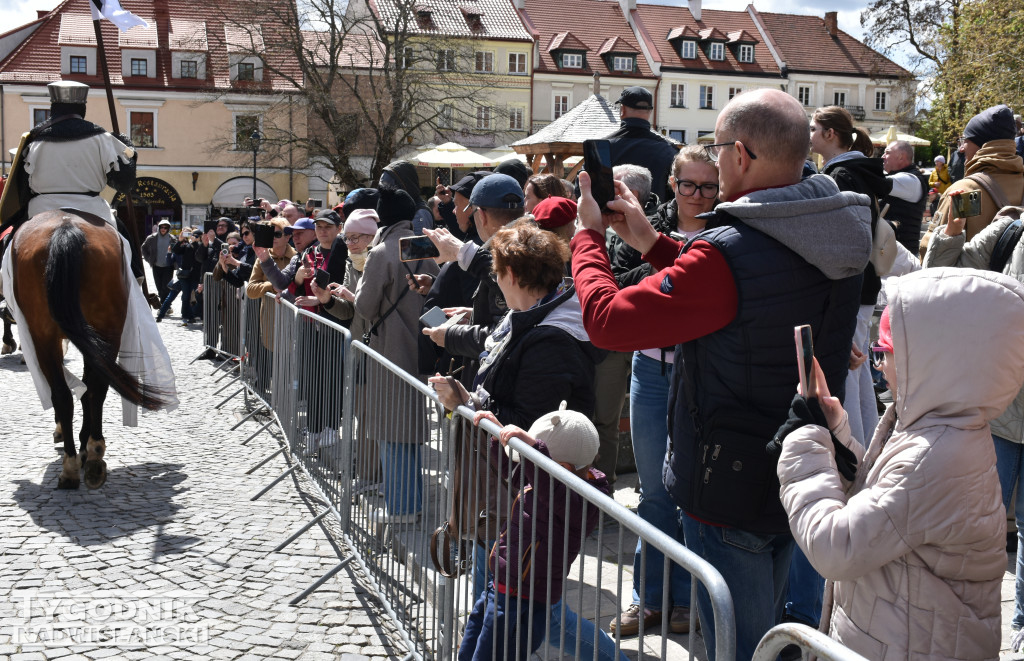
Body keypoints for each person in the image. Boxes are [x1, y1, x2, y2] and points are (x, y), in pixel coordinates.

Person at [570, 88, 871, 659]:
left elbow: (606, 321)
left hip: (729, 479)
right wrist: (653, 244)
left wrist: (588, 238)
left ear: (744, 155)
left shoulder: (726, 251)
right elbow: (750, 289)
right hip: (802, 457)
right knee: (772, 632)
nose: (713, 157)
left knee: (737, 644)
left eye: (717, 145)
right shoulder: (835, 226)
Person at [777, 268, 1024, 661]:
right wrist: (838, 429)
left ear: (932, 359)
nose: (878, 367)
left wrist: (804, 440)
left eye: (884, 353)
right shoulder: (947, 429)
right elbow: (885, 503)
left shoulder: (935, 455)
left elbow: (837, 545)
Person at [609, 146, 718, 638]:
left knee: (693, 495)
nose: (697, 195)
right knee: (653, 493)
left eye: (707, 186)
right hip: (650, 371)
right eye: (688, 185)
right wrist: (665, 270)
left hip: (701, 375)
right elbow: (617, 285)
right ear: (672, 184)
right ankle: (648, 598)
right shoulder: (644, 225)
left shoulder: (726, 233)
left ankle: (686, 599)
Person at [922, 206, 1024, 652]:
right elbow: (939, 280)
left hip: (999, 403)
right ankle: (956, 628)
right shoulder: (1011, 230)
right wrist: (951, 233)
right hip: (1000, 408)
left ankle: (1021, 624)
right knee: (969, 526)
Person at [456, 405, 622, 661]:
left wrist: (536, 451)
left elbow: (551, 488)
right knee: (468, 651)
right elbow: (513, 472)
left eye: (536, 463)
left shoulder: (580, 502)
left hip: (522, 602)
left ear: (562, 469)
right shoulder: (545, 483)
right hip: (499, 587)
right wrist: (497, 435)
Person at [354, 187, 438, 524]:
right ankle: (412, 501)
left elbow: (364, 305)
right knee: (412, 430)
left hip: (390, 349)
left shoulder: (381, 251)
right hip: (422, 344)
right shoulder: (422, 245)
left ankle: (402, 508)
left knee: (391, 430)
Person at [921, 104, 1024, 252]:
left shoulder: (968, 192)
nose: (961, 148)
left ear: (982, 145)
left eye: (966, 140)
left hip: (969, 275)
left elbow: (932, 252)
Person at [603, 86, 678, 202]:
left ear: (622, 110)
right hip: (654, 217)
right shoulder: (669, 150)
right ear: (650, 112)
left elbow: (583, 188)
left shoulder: (602, 147)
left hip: (611, 216)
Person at [880, 140, 928, 254]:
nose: (882, 157)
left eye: (887, 152)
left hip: (901, 257)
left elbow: (878, 183)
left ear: (901, 157)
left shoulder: (910, 180)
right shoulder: (902, 177)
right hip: (891, 254)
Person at [142, 219, 175, 302]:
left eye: (165, 227)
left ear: (168, 229)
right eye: (162, 227)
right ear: (159, 227)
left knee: (166, 287)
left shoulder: (172, 239)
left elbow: (177, 251)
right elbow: (143, 248)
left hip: (168, 267)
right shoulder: (152, 238)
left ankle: (164, 306)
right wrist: (148, 259)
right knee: (159, 286)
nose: (163, 229)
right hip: (156, 266)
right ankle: (164, 304)